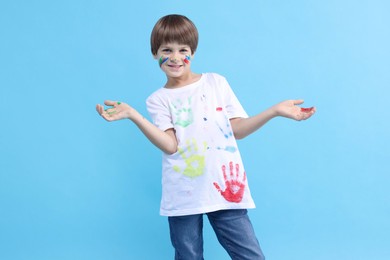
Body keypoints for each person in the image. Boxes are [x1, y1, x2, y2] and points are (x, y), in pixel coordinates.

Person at [96, 14, 315, 260]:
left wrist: (273, 111)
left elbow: (238, 130)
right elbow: (170, 145)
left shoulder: (216, 83)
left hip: (226, 190)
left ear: (193, 51)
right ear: (154, 54)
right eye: (167, 50)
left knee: (250, 255)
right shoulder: (157, 99)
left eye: (183, 49)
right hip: (184, 192)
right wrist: (135, 116)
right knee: (188, 256)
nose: (176, 57)